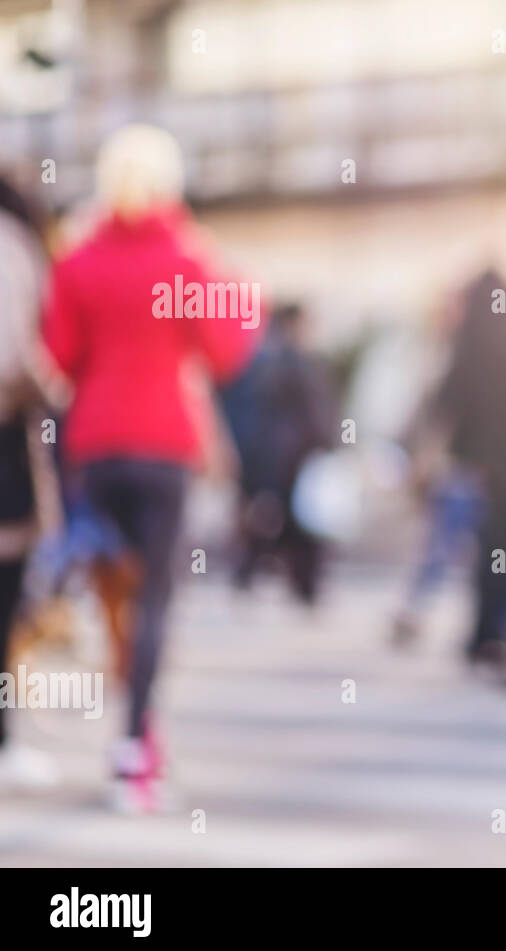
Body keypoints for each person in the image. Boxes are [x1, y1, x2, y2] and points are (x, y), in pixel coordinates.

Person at [41, 125, 259, 810]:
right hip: (164, 443)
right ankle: (135, 746)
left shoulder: (76, 260)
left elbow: (60, 354)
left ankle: (129, 723)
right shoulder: (188, 256)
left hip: (97, 445)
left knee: (113, 593)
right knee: (157, 597)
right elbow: (228, 351)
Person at [0, 174, 60, 791]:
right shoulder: (11, 246)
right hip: (5, 446)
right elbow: (14, 355)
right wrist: (53, 389)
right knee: (5, 599)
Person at [223, 303, 336, 603]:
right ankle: (303, 586)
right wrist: (329, 444)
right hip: (295, 453)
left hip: (271, 454)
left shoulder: (260, 359)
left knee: (275, 518)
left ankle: (251, 574)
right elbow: (316, 411)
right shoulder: (297, 361)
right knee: (299, 521)